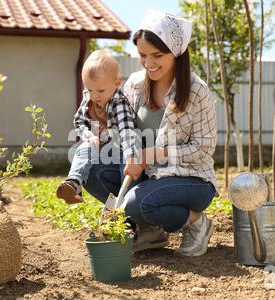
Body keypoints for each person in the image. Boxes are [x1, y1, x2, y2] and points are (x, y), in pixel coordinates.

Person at [84, 10, 219, 257]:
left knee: (137, 203)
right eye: (143, 56)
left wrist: (155, 154)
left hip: (191, 180)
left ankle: (196, 221)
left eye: (157, 55)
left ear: (176, 52)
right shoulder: (135, 84)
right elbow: (125, 130)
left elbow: (203, 149)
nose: (149, 63)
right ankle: (150, 231)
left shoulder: (197, 91)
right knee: (91, 170)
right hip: (146, 175)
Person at [56, 50, 139, 204]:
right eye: (90, 90)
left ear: (117, 83)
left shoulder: (119, 103)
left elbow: (127, 133)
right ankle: (74, 183)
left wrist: (131, 158)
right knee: (84, 148)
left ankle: (127, 205)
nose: (95, 96)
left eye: (100, 91)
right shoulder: (89, 98)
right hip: (100, 146)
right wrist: (89, 135)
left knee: (126, 168)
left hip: (121, 149)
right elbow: (79, 121)